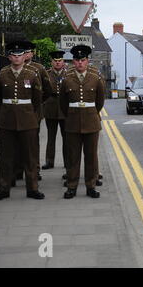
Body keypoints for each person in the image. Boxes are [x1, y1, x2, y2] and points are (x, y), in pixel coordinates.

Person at [0, 42, 45, 201]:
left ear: (24, 57)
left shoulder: (32, 74)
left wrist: (29, 114)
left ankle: (32, 188)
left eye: (20, 55)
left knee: (30, 157)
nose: (16, 58)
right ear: (9, 57)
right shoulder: (2, 74)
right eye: (13, 55)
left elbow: (37, 99)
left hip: (27, 120)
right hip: (7, 121)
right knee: (6, 157)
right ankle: (3, 189)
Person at [60, 45, 105, 199]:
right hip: (72, 122)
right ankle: (71, 186)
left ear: (87, 61)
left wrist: (92, 113)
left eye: (83, 60)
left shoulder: (95, 78)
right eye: (77, 60)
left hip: (91, 122)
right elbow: (63, 103)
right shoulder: (67, 79)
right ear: (73, 61)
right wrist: (71, 115)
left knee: (91, 156)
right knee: (73, 156)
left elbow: (100, 101)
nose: (80, 63)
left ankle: (90, 186)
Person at [13, 41, 51, 183]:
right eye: (25, 52)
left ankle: (34, 170)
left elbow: (47, 90)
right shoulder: (12, 68)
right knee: (16, 142)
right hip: (16, 112)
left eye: (29, 52)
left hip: (34, 112)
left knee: (32, 143)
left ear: (32, 54)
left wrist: (38, 103)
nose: (27, 54)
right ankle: (17, 170)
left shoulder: (39, 68)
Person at [42, 51, 68, 174]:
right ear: (52, 62)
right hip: (51, 108)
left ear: (63, 62)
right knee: (51, 137)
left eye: (60, 61)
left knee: (66, 137)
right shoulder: (46, 74)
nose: (57, 63)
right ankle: (49, 161)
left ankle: (67, 162)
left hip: (64, 109)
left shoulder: (68, 74)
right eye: (55, 61)